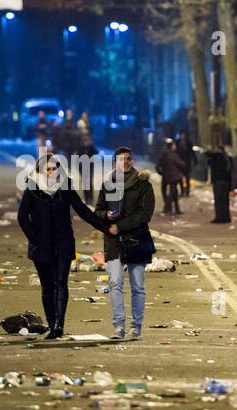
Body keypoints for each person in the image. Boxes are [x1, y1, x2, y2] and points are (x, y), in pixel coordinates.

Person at [18, 154, 111, 340]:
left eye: (55, 169)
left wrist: (106, 228)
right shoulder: (32, 187)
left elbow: (83, 211)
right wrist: (34, 238)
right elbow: (22, 217)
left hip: (63, 242)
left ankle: (59, 326)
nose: (52, 172)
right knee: (47, 288)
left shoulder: (66, 186)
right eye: (48, 169)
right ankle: (51, 323)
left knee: (61, 284)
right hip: (41, 245)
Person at [95, 147, 156, 340]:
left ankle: (136, 328)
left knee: (137, 286)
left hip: (136, 240)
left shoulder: (143, 185)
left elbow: (145, 214)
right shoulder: (107, 184)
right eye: (121, 160)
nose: (126, 162)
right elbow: (98, 210)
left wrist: (119, 226)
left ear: (132, 161)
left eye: (129, 159)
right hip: (113, 243)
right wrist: (106, 215)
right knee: (115, 284)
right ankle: (118, 327)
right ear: (115, 163)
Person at [158, 139, 185, 214]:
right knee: (172, 193)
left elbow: (159, 164)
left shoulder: (164, 154)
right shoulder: (172, 154)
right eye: (174, 145)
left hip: (167, 176)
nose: (175, 146)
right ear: (171, 146)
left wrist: (161, 172)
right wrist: (183, 164)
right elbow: (180, 164)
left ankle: (177, 209)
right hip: (174, 176)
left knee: (174, 192)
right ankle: (167, 208)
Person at [207, 144, 233, 223]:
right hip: (226, 181)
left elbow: (208, 157)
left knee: (218, 200)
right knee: (225, 200)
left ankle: (219, 217)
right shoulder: (227, 158)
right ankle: (226, 217)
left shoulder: (217, 158)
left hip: (219, 181)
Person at [177, 131, 194, 196]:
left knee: (187, 179)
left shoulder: (189, 143)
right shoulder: (177, 142)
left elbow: (192, 152)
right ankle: (182, 192)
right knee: (180, 179)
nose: (182, 136)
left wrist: (194, 160)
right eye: (181, 135)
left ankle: (187, 192)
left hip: (187, 164)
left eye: (183, 135)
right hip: (180, 164)